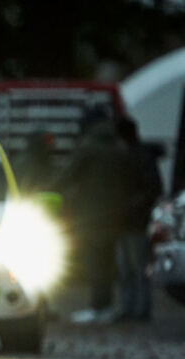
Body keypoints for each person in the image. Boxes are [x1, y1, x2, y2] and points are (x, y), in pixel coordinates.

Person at [56, 110, 138, 324]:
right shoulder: (119, 147)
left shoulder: (88, 147)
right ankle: (107, 308)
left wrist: (46, 188)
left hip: (90, 216)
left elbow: (68, 176)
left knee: (94, 264)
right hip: (115, 216)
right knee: (108, 264)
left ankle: (97, 308)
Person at [115, 117, 162, 321]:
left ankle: (134, 309)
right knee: (135, 268)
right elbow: (153, 188)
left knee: (130, 269)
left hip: (129, 220)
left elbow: (150, 188)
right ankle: (138, 309)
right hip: (134, 220)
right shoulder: (142, 155)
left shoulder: (131, 156)